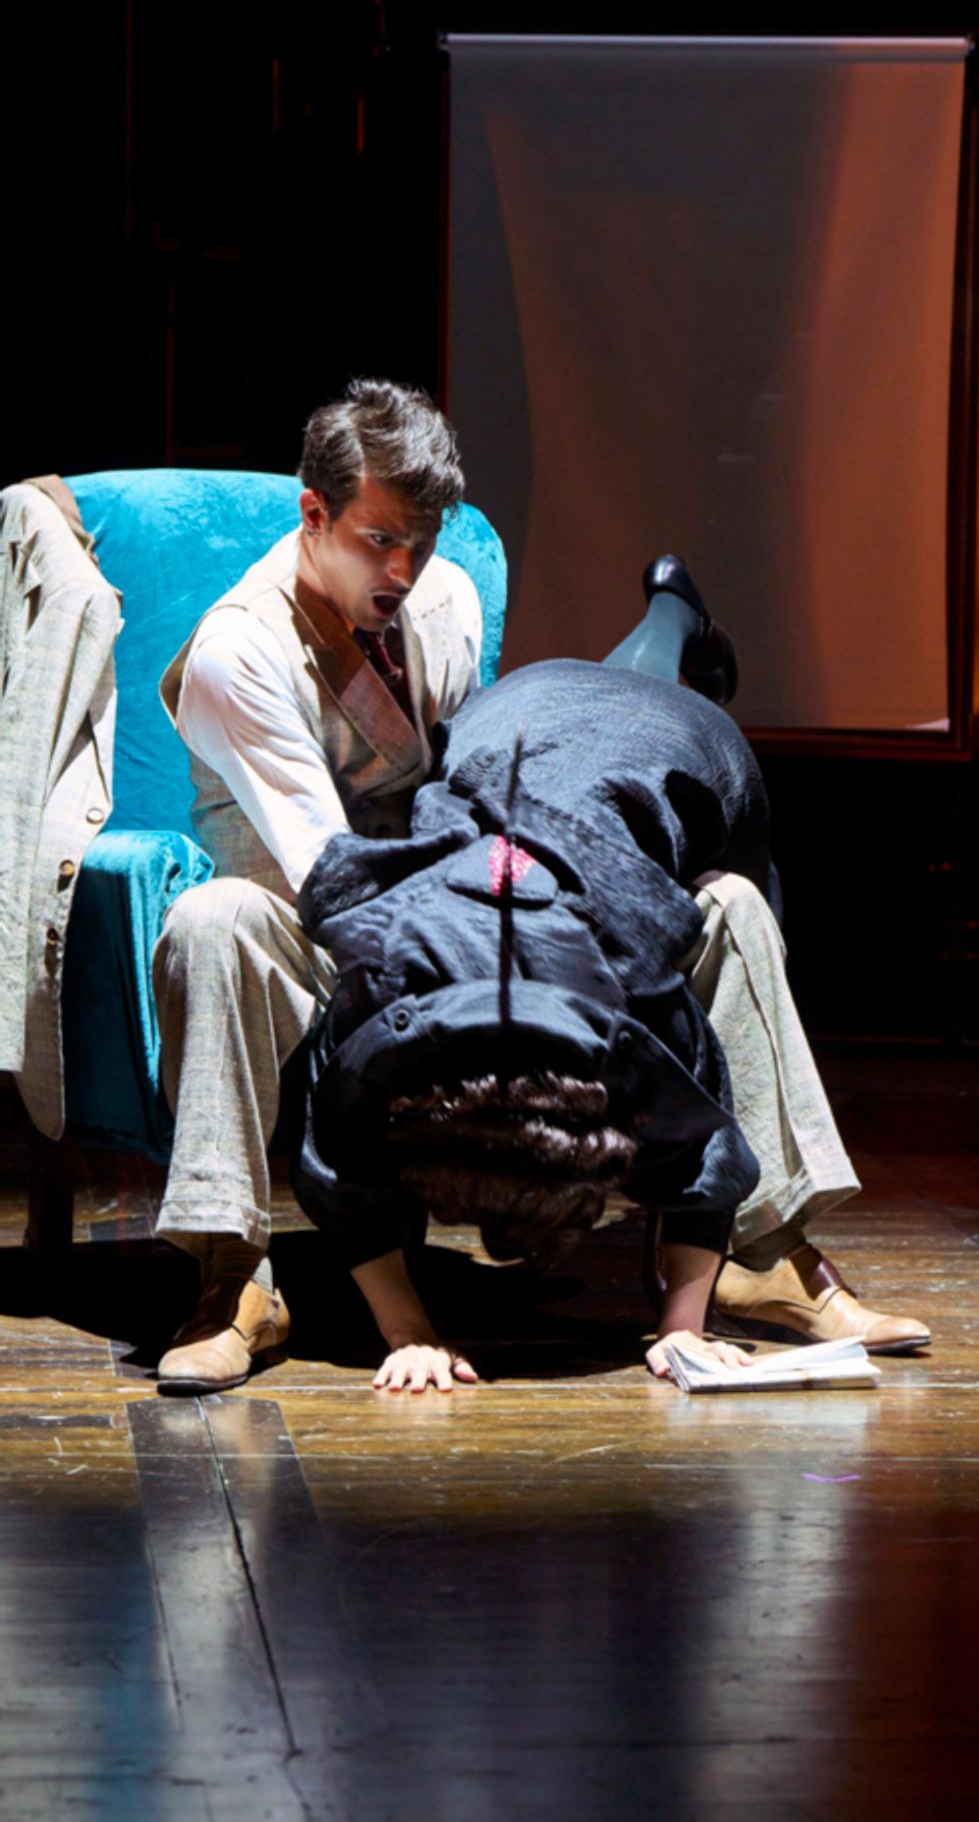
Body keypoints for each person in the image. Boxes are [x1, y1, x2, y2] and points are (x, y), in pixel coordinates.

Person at [151, 379, 928, 1394]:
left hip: (461, 893)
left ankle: (765, 1251)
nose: (403, 569)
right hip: (322, 923)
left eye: (422, 541)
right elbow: (336, 879)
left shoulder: (442, 599)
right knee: (213, 919)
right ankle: (232, 1278)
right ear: (314, 514)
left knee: (728, 906)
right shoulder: (239, 653)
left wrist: (581, 896)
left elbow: (486, 780)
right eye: (379, 541)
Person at [292, 560, 926, 1392]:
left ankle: (766, 1257)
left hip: (666, 739)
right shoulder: (390, 997)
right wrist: (406, 1333)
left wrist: (682, 1327)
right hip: (508, 724)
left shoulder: (628, 1002)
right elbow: (332, 1159)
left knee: (746, 919)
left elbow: (710, 1135)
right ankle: (673, 616)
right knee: (610, 750)